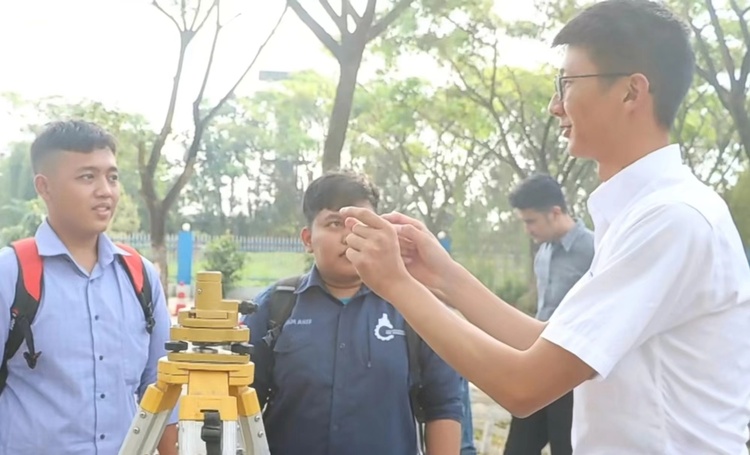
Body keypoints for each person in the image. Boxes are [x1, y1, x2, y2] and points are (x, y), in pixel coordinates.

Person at [337, 1, 750, 453]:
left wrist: (396, 283)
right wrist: (442, 276)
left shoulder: (672, 219)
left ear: (632, 92)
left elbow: (525, 386)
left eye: (568, 83)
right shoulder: (643, 214)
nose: (555, 106)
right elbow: (547, 341)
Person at [244, 170, 463, 455]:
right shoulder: (274, 307)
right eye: (334, 223)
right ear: (308, 239)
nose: (350, 235)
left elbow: (444, 405)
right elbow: (240, 402)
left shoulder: (415, 308)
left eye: (361, 224)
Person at [0, 120, 177, 454]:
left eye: (112, 177)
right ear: (44, 187)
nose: (105, 191)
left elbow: (161, 390)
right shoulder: (12, 274)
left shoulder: (139, 276)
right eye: (87, 177)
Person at [504, 174, 594, 455]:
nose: (527, 229)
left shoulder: (596, 249)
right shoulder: (542, 253)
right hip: (538, 367)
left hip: (573, 375)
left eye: (531, 221)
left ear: (555, 213)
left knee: (565, 448)